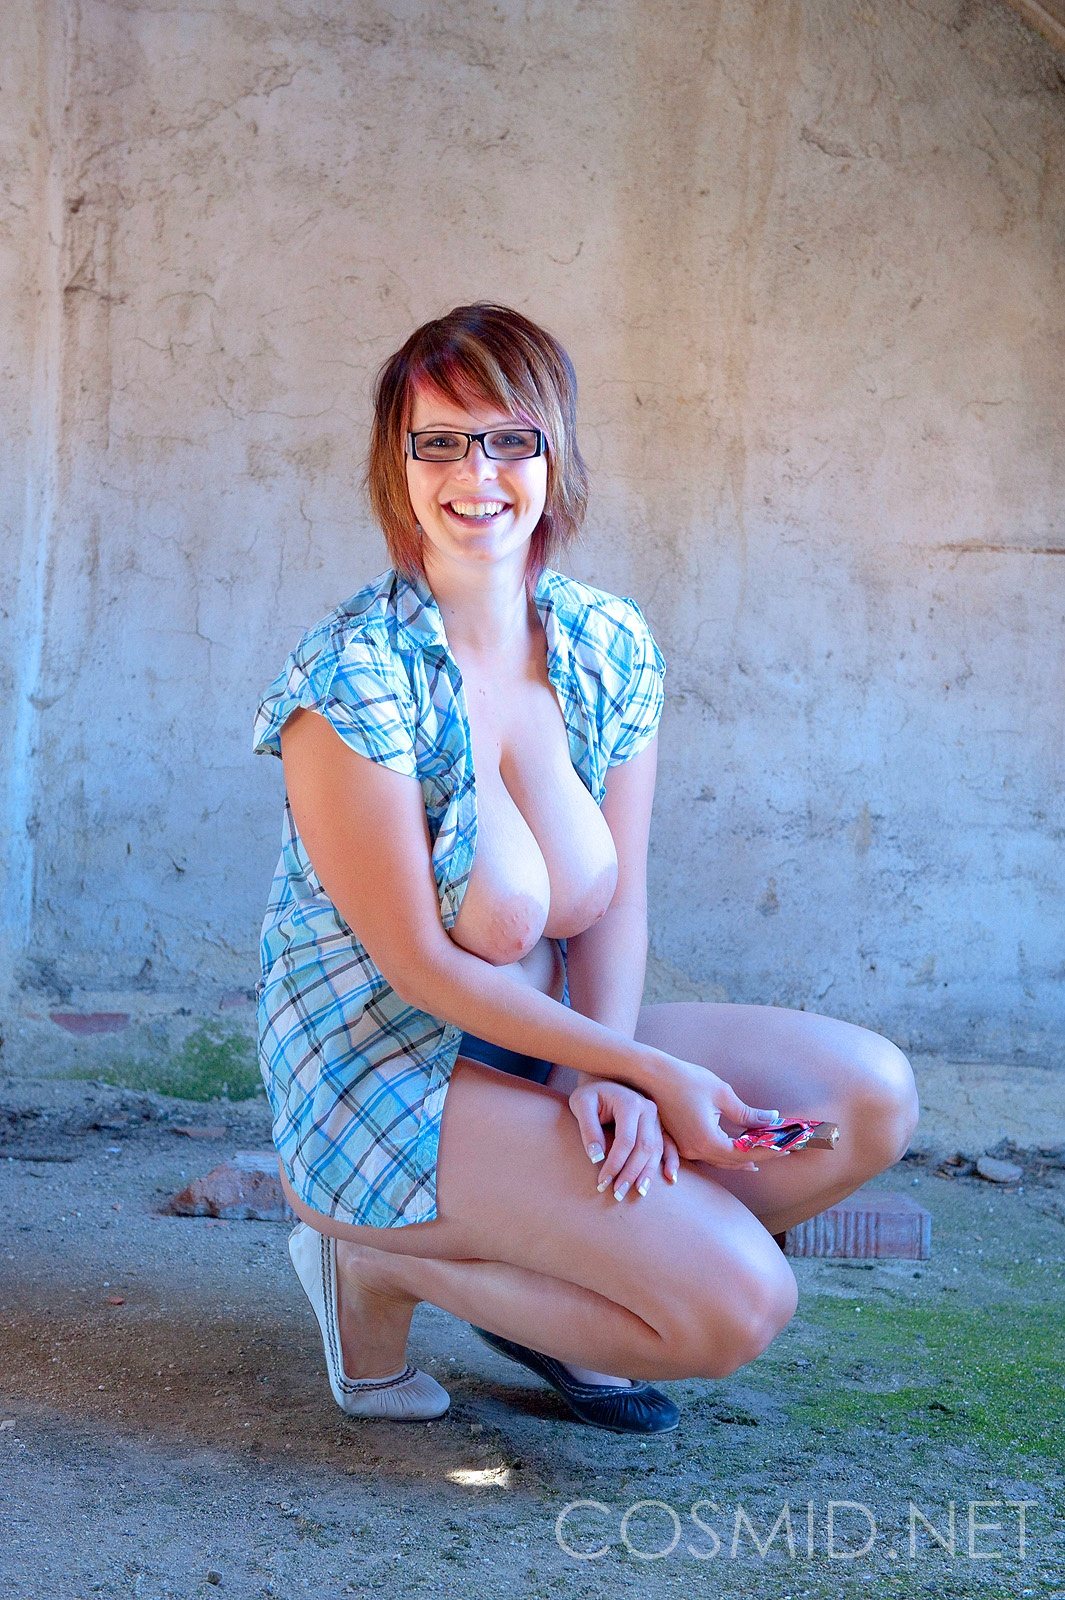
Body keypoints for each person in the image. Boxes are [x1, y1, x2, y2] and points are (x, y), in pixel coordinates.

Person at [252, 302, 919, 1434]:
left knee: (865, 1101)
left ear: (554, 452)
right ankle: (372, 1262)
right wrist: (642, 1071)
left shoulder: (606, 643)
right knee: (737, 1306)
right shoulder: (352, 676)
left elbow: (617, 905)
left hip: (550, 1039)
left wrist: (598, 1076)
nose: (478, 474)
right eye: (440, 442)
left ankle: (568, 1276)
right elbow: (417, 967)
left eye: (510, 439)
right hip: (386, 1074)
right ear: (395, 465)